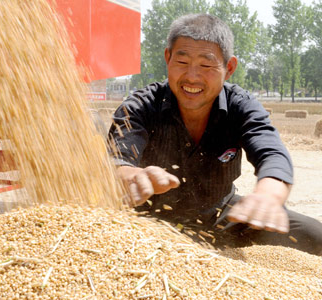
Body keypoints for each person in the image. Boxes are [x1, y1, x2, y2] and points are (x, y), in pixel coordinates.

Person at [108, 13, 322, 255]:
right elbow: (118, 157)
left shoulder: (240, 106)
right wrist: (128, 174)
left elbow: (271, 153)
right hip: (148, 219)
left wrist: (268, 195)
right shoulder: (140, 105)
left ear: (228, 68)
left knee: (315, 235)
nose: (191, 76)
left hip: (221, 217)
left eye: (206, 65)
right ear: (168, 58)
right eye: (182, 62)